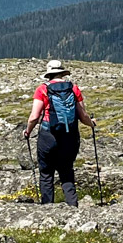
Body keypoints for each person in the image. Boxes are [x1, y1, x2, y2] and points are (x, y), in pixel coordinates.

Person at [24, 60, 95, 206]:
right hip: (70, 136)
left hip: (48, 135)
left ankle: (47, 207)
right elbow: (83, 115)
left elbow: (34, 116)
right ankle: (72, 206)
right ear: (62, 73)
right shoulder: (73, 88)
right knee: (66, 171)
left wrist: (28, 131)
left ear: (49, 74)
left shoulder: (42, 89)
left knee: (46, 173)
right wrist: (91, 124)